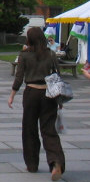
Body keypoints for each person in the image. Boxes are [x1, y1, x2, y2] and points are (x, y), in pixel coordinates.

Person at [8, 27, 65, 180]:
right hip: (49, 94)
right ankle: (56, 162)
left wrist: (12, 95)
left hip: (31, 93)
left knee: (29, 129)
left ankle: (32, 164)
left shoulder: (25, 55)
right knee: (49, 130)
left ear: (29, 39)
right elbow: (57, 77)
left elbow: (19, 77)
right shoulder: (51, 54)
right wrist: (59, 99)